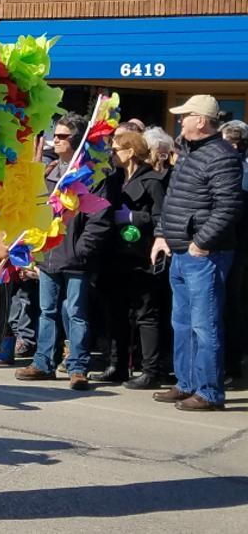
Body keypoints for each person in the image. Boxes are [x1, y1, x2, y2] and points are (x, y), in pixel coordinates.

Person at [151, 95, 244, 411]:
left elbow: (228, 207)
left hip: (205, 254)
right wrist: (161, 235)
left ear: (201, 120)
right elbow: (173, 200)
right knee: (182, 323)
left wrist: (201, 242)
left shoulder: (221, 156)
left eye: (185, 116)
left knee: (205, 325)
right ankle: (187, 383)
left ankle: (208, 391)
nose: (179, 120)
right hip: (181, 252)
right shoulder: (189, 153)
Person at [16, 113, 115, 390]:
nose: (55, 141)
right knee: (46, 311)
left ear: (76, 140)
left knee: (76, 313)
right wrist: (32, 249)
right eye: (55, 136)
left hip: (75, 257)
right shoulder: (49, 172)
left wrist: (81, 251)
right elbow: (37, 212)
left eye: (61, 137)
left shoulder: (93, 175)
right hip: (48, 255)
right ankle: (43, 361)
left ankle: (78, 366)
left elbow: (99, 220)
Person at [102, 129, 169, 389]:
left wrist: (132, 218)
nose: (112, 154)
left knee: (146, 314)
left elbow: (161, 216)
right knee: (116, 312)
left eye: (116, 149)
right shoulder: (115, 179)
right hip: (117, 255)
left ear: (130, 152)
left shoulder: (152, 180)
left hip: (142, 255)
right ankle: (117, 366)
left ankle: (151, 370)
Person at [219, 120, 248, 382]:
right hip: (231, 244)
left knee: (231, 305)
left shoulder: (239, 171)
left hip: (236, 246)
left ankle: (231, 365)